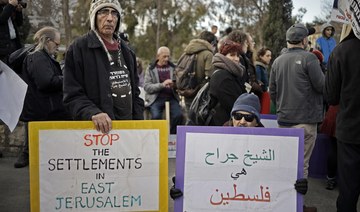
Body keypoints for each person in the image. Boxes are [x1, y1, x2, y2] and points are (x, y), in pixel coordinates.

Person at [170, 93, 310, 209]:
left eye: (248, 117)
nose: (242, 121)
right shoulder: (212, 143)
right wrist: (182, 188)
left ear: (257, 121)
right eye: (237, 116)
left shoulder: (270, 147)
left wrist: (296, 189)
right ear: (232, 118)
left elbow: (280, 180)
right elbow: (201, 175)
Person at [64, 0, 144, 135]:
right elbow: (72, 96)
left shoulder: (127, 51)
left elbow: (135, 93)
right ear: (94, 17)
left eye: (114, 14)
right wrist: (93, 112)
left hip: (128, 132)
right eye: (103, 12)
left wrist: (138, 123)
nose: (110, 18)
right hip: (96, 134)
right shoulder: (79, 48)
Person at [269, 23, 324, 180]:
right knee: (302, 165)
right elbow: (322, 86)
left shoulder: (277, 61)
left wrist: (281, 105)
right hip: (305, 122)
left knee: (286, 163)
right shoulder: (309, 58)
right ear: (305, 40)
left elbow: (272, 91)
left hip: (284, 120)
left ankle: (288, 203)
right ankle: (298, 205)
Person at [14, 26, 71, 168]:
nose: (58, 48)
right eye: (56, 44)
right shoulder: (38, 57)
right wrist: (69, 79)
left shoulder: (40, 57)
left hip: (41, 111)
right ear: (47, 41)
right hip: (43, 112)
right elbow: (46, 82)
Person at [324, 28, 360, 212]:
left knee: (348, 191)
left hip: (350, 132)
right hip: (349, 131)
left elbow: (331, 97)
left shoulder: (342, 50)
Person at [144, 46, 183, 134]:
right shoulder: (151, 68)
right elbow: (147, 87)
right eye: (164, 56)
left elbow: (180, 84)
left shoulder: (174, 67)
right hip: (156, 98)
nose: (167, 59)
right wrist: (162, 85)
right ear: (158, 57)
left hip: (172, 97)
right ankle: (158, 138)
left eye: (168, 56)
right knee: (156, 116)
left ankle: (173, 138)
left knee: (179, 115)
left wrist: (175, 85)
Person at [208, 39, 246, 126]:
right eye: (232, 55)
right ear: (223, 56)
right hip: (222, 126)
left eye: (237, 55)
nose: (236, 59)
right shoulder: (223, 77)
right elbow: (234, 105)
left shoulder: (230, 73)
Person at [181, 30, 215, 115]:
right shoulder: (208, 54)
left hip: (187, 91)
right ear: (211, 43)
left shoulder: (186, 52)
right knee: (200, 121)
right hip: (201, 93)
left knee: (190, 118)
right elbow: (209, 75)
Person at [0, 0, 23, 64]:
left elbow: (19, 23)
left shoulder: (8, 7)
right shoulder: (9, 6)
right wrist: (10, 5)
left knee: (15, 69)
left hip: (14, 43)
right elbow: (1, 20)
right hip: (2, 47)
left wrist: (19, 12)